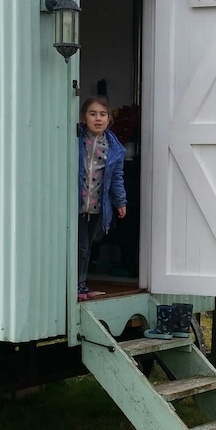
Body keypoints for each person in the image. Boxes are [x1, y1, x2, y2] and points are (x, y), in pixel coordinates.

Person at [77, 96, 127, 301]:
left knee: (87, 247)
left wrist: (120, 201)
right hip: (77, 205)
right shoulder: (77, 140)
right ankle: (76, 284)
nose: (98, 118)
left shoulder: (114, 149)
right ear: (83, 118)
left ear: (109, 120)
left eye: (102, 114)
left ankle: (80, 282)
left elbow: (116, 178)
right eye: (92, 114)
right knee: (80, 245)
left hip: (97, 206)